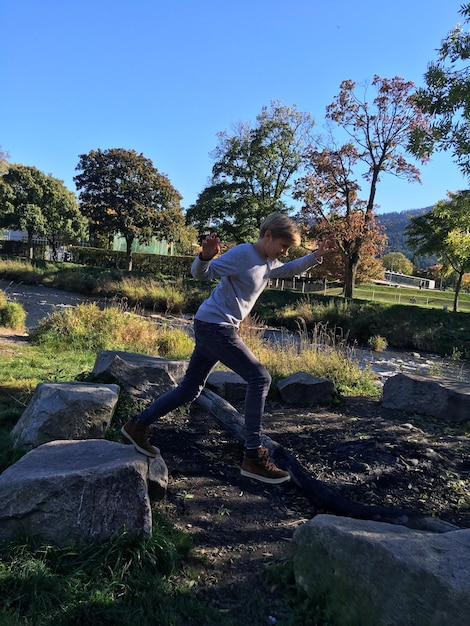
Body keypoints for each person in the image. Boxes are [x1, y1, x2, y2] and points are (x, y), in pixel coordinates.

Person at [121, 213, 334, 484]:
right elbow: (201, 274)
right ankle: (253, 454)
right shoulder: (244, 254)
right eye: (283, 245)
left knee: (190, 389)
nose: (284, 252)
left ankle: (137, 425)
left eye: (287, 249)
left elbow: (288, 270)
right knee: (260, 378)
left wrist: (316, 256)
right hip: (215, 327)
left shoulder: (267, 262)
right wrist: (206, 256)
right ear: (267, 235)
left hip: (214, 325)